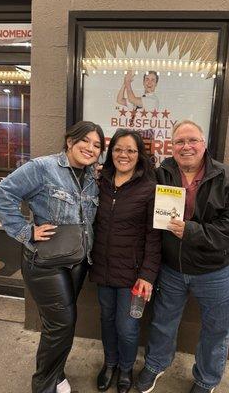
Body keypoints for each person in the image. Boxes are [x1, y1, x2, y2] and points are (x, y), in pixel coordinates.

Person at [135, 120, 229, 393]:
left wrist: (192, 231)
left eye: (192, 141)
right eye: (179, 142)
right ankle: (156, 364)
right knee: (163, 322)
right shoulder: (161, 173)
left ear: (204, 144)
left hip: (216, 271)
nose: (186, 146)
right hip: (172, 269)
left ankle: (206, 380)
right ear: (171, 146)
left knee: (216, 330)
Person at [0, 121, 105, 393]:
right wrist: (24, 231)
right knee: (62, 324)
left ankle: (56, 373)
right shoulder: (42, 168)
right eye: (85, 141)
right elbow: (2, 195)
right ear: (69, 141)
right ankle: (44, 386)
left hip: (77, 261)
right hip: (44, 262)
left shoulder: (91, 177)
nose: (90, 148)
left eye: (97, 145)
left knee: (59, 325)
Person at [90, 129, 161, 393]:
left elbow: (154, 238)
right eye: (119, 149)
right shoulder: (100, 181)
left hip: (133, 275)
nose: (124, 155)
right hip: (103, 268)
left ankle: (126, 368)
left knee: (127, 327)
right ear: (111, 152)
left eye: (131, 150)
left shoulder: (148, 188)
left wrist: (147, 274)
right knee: (106, 321)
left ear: (139, 155)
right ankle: (109, 364)